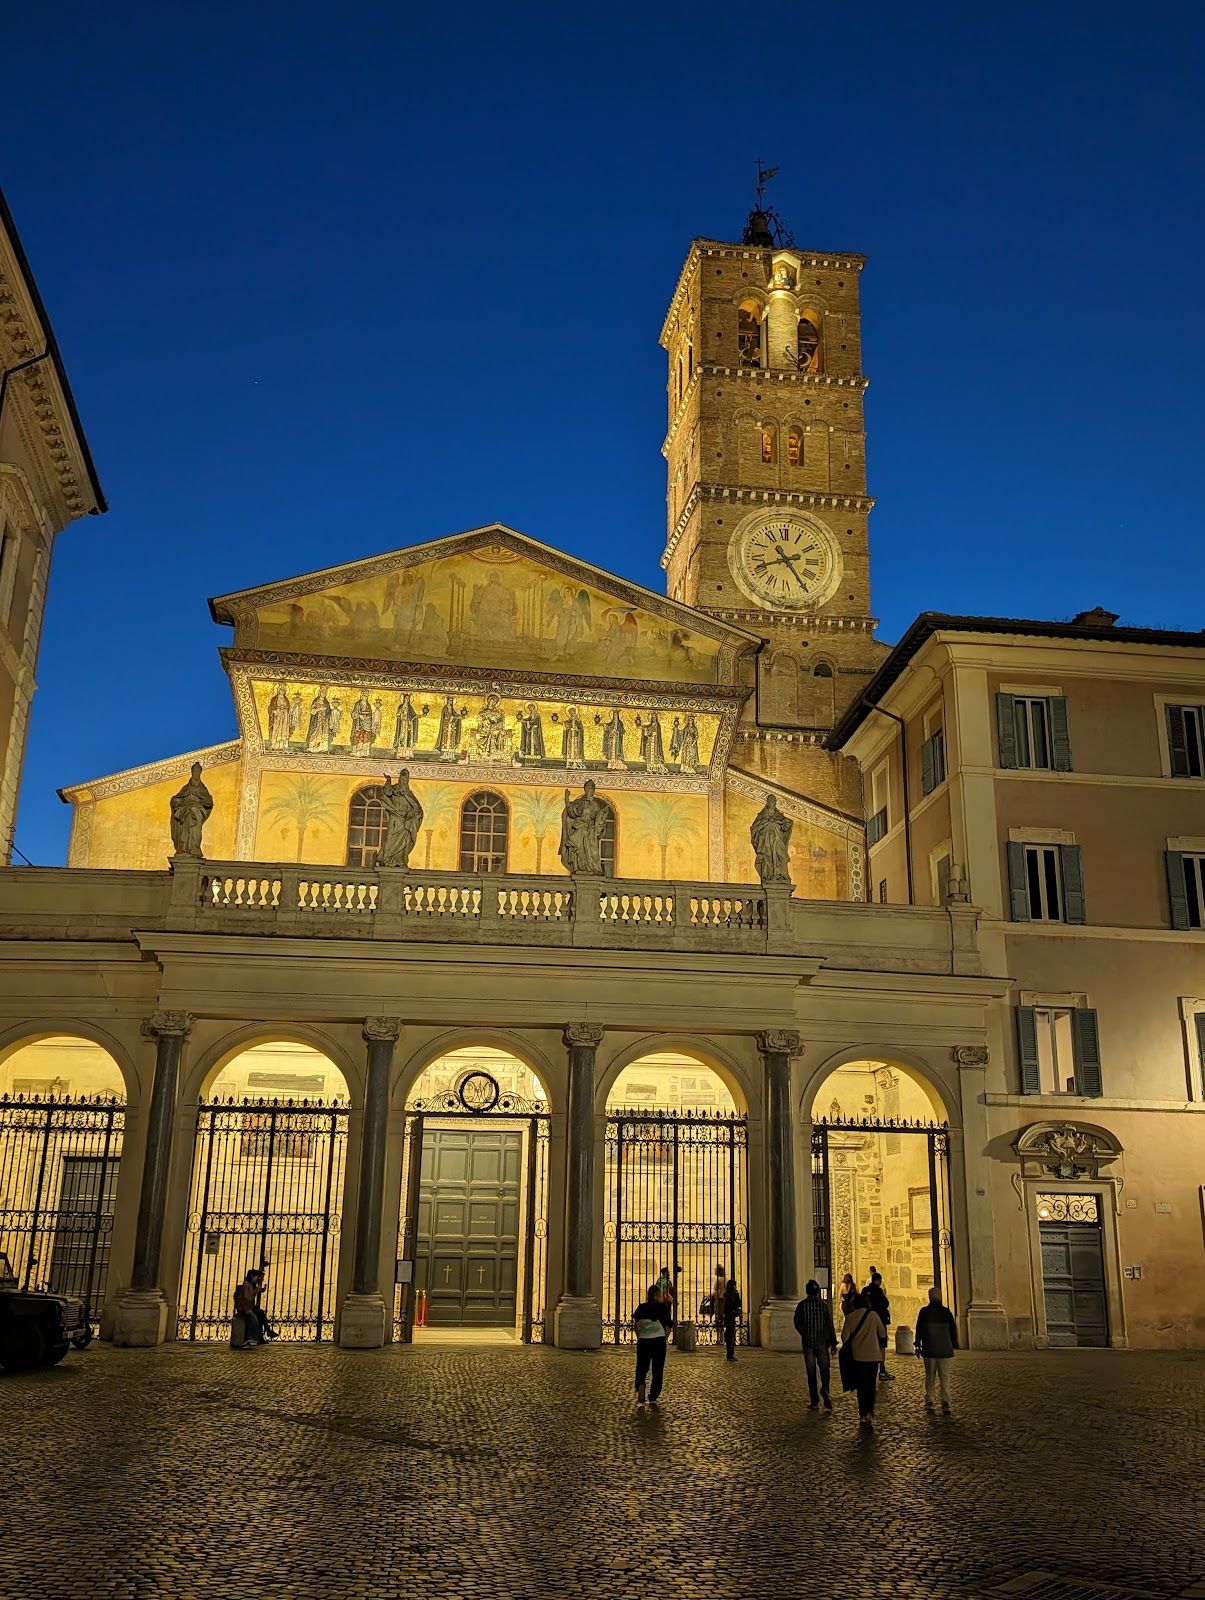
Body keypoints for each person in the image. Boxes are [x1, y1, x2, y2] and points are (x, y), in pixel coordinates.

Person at [841, 1291, 887, 1431]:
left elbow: (844, 1338)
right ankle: (869, 1413)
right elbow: (882, 1333)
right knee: (871, 1386)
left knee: (861, 1387)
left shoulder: (850, 1318)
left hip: (858, 1357)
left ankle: (862, 1414)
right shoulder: (873, 1315)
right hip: (873, 1357)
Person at [914, 1286, 959, 1415]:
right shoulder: (946, 1312)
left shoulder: (924, 1312)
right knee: (945, 1377)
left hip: (929, 1349)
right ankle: (946, 1402)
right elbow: (953, 1330)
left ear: (930, 1297)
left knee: (930, 1376)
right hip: (944, 1350)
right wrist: (954, 1344)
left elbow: (919, 1329)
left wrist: (917, 1345)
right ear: (940, 1297)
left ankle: (930, 1400)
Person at [793, 1280, 837, 1411]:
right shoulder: (823, 1306)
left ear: (807, 1291)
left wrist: (804, 1333)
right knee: (825, 1369)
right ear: (817, 1291)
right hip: (822, 1342)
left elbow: (797, 1322)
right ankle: (825, 1390)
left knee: (811, 1372)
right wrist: (833, 1342)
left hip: (808, 1343)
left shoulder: (802, 1305)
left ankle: (814, 1400)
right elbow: (829, 1324)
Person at [632, 1284, 671, 1408]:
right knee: (657, 1369)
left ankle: (641, 1385)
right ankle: (653, 1395)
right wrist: (663, 1338)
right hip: (658, 1340)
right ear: (658, 1296)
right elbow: (668, 1327)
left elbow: (637, 1325)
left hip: (644, 1340)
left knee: (641, 1366)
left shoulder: (642, 1308)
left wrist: (640, 1336)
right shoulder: (662, 1309)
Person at [864, 1271, 893, 1380]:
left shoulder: (865, 1290)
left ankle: (869, 1369)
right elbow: (886, 1303)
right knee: (881, 1345)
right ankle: (882, 1370)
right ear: (879, 1280)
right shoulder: (879, 1291)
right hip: (879, 1320)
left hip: (867, 1321)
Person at [720, 1277, 742, 1361]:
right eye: (735, 1285)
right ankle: (730, 1354)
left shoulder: (729, 1295)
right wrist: (737, 1294)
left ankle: (730, 1354)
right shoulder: (730, 1296)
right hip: (730, 1317)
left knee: (730, 1336)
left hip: (729, 1317)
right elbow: (736, 1304)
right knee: (730, 1336)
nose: (736, 1287)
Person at [654, 1264, 676, 1329]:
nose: (669, 1274)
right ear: (665, 1273)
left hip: (658, 1302)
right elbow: (666, 1293)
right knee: (666, 1320)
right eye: (668, 1272)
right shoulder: (666, 1281)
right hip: (665, 1303)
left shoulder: (659, 1280)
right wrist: (672, 1300)